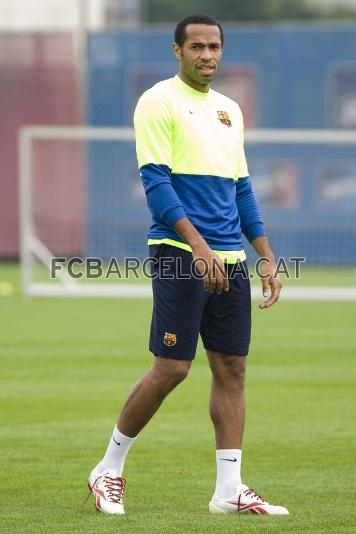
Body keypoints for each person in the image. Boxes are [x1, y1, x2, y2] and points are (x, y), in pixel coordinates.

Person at [87, 13, 288, 516]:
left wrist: (264, 257)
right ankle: (108, 469)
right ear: (176, 51)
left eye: (214, 46)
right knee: (173, 366)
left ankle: (228, 491)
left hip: (230, 258)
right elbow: (157, 186)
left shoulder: (229, 111)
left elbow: (241, 189)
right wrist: (198, 249)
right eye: (196, 46)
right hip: (180, 253)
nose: (207, 55)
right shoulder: (157, 101)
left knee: (232, 367)